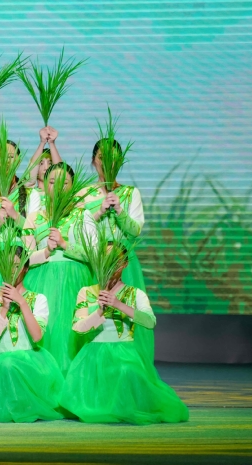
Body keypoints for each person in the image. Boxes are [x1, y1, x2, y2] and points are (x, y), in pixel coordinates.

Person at [61, 245, 189, 425]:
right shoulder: (87, 292)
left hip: (123, 351)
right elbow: (78, 328)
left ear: (124, 264)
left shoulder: (135, 294)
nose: (109, 263)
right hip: (93, 354)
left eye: (115, 259)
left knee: (125, 371)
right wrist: (99, 312)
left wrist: (118, 305)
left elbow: (150, 322)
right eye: (105, 258)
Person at [80, 138, 152, 363]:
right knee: (92, 317)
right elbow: (77, 230)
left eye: (112, 158)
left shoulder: (131, 193)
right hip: (94, 263)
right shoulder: (84, 193)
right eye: (101, 157)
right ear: (94, 160)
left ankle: (129, 368)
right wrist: (99, 212)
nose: (106, 163)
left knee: (125, 320)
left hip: (123, 264)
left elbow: (135, 231)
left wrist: (119, 210)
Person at [22, 162, 96, 374]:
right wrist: (46, 252)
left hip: (75, 280)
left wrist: (65, 245)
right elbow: (26, 257)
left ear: (73, 186)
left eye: (65, 183)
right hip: (42, 280)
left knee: (70, 331)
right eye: (53, 182)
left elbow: (93, 253)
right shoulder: (34, 218)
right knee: (47, 328)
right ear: (44, 185)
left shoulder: (83, 215)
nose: (58, 187)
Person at [0, 247, 64, 423]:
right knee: (6, 364)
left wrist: (21, 302)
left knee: (10, 365)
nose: (11, 270)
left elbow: (37, 336)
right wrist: (4, 308)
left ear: (26, 268)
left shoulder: (38, 299)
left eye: (16, 266)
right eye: (7, 265)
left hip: (31, 362)